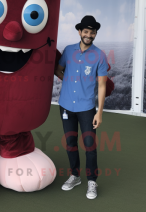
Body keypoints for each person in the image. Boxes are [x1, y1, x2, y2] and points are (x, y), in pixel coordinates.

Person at [54, 15, 108, 200]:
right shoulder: (68, 51)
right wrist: (68, 81)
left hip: (86, 108)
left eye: (92, 32)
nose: (89, 34)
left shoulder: (100, 55)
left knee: (89, 146)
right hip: (66, 106)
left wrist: (99, 112)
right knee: (70, 144)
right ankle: (75, 176)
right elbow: (58, 70)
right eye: (86, 31)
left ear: (95, 34)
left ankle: (92, 181)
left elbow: (101, 85)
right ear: (79, 32)